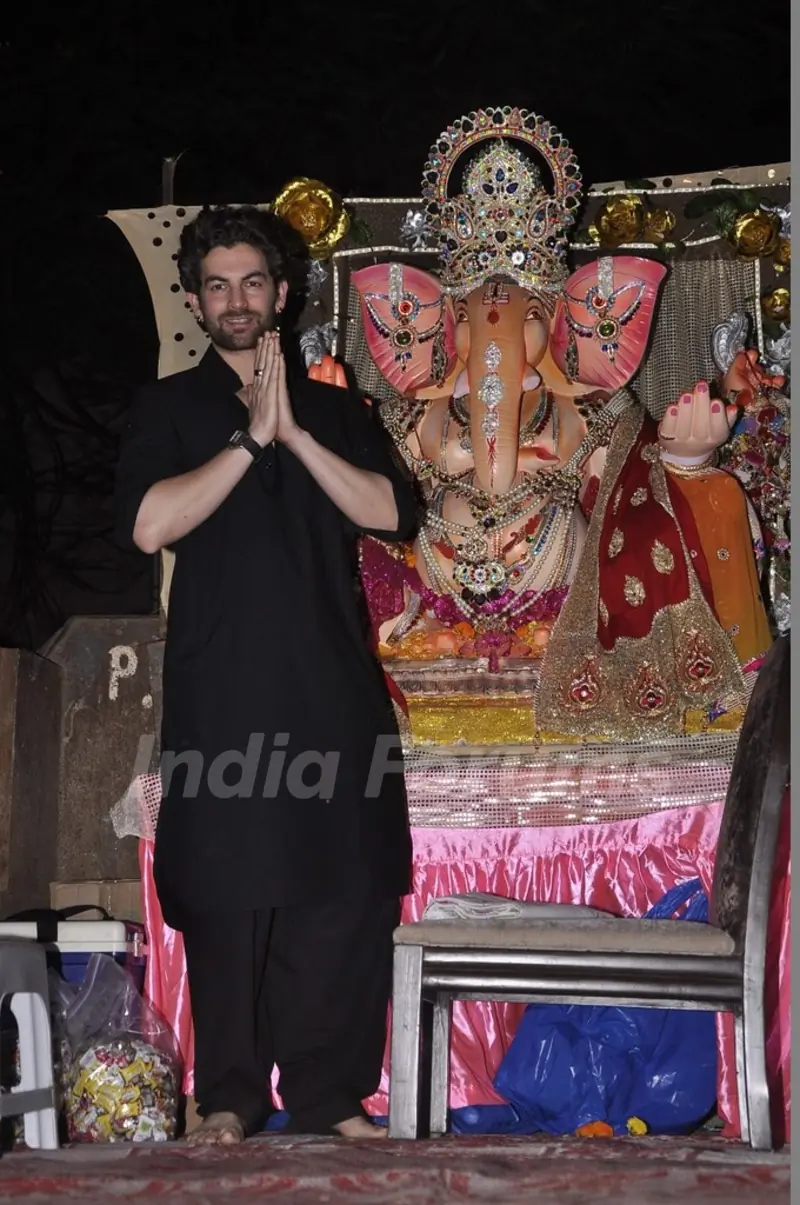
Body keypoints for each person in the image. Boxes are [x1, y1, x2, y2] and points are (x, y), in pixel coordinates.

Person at [114, 205, 417, 1145]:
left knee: (342, 884)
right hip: (224, 688)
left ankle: (331, 1095)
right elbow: (150, 525)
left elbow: (391, 513)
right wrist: (246, 439)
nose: (236, 299)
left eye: (253, 281)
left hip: (330, 686)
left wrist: (292, 433)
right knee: (229, 887)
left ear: (282, 294)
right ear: (199, 301)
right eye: (217, 285)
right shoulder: (168, 405)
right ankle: (230, 1097)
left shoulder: (334, 408)